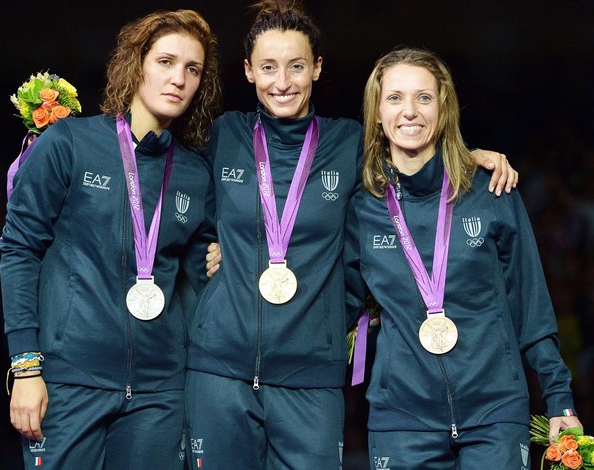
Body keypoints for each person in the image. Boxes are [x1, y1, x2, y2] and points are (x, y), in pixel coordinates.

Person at [185, 2, 517, 469]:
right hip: (219, 369)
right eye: (268, 67)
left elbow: (414, 161)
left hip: (311, 377)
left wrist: (472, 156)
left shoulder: (349, 145)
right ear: (248, 71)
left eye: (296, 66)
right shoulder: (223, 137)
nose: (282, 82)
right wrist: (208, 266)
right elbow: (174, 204)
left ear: (317, 68)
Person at [0, 9, 221, 469]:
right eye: (165, 62)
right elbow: (19, 250)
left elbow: (198, 277)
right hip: (68, 383)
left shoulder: (197, 173)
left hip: (160, 394)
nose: (178, 78)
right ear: (137, 63)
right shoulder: (68, 144)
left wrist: (221, 259)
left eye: (192, 69)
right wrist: (25, 366)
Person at [344, 46, 582, 469]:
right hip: (401, 421)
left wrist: (559, 399)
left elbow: (530, 301)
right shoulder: (360, 206)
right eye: (395, 98)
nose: (410, 111)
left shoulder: (491, 191)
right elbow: (336, 294)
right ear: (377, 112)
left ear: (443, 106)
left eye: (424, 97)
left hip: (495, 415)